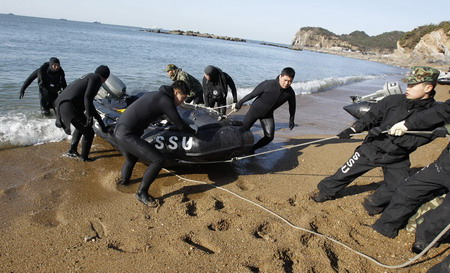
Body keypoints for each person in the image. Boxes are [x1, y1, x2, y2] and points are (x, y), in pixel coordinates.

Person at [310, 66, 442, 217]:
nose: (408, 88)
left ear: (428, 87)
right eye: (407, 84)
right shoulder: (393, 100)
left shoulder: (435, 114)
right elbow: (370, 117)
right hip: (373, 148)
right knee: (344, 173)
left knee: (398, 186)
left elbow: (421, 139)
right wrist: (353, 129)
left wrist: (397, 136)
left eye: (412, 85)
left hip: (397, 156)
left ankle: (374, 202)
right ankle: (326, 192)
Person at [372, 97, 449, 254]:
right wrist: (407, 124)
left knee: (444, 214)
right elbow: (441, 111)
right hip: (444, 166)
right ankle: (385, 226)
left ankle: (424, 240)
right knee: (407, 190)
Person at [114, 81, 196, 206]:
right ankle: (141, 193)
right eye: (183, 98)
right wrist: (194, 132)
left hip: (118, 130)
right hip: (127, 134)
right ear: (176, 92)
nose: (182, 102)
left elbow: (169, 116)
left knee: (131, 159)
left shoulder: (155, 94)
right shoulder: (165, 101)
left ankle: (124, 183)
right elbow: (180, 125)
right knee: (158, 160)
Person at [54, 65, 110, 162]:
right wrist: (89, 116)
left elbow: (88, 103)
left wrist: (99, 122)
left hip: (61, 104)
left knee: (82, 126)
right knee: (89, 133)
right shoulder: (96, 79)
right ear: (105, 78)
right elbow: (88, 98)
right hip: (69, 106)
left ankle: (72, 150)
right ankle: (84, 157)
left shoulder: (89, 76)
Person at [234, 67, 296, 153]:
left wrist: (291, 119)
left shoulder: (290, 93)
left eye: (290, 81)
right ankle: (234, 148)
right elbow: (252, 94)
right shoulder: (268, 84)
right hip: (255, 110)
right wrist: (240, 102)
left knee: (269, 137)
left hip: (268, 115)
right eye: (285, 80)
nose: (286, 83)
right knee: (243, 130)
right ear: (281, 76)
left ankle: (252, 148)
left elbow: (292, 106)